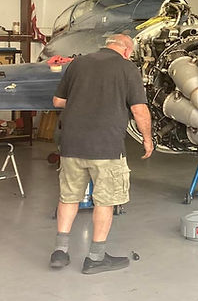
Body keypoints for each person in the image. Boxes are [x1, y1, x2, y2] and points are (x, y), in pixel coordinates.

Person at [49, 33, 153, 274]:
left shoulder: (78, 63)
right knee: (104, 201)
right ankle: (96, 257)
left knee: (68, 197)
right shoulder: (128, 69)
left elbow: (57, 101)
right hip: (106, 147)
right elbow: (139, 110)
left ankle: (60, 252)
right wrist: (147, 139)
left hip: (72, 144)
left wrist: (84, 100)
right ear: (127, 50)